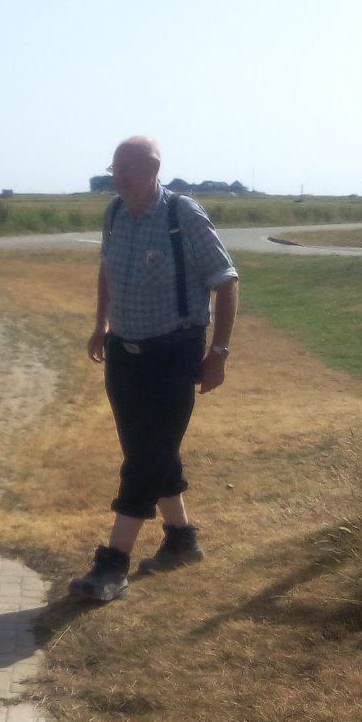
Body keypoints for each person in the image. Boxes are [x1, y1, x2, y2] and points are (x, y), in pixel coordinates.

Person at [69, 137, 240, 603]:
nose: (117, 176)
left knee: (145, 459)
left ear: (153, 169)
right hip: (125, 355)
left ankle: (112, 565)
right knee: (148, 450)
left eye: (126, 168)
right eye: (114, 167)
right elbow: (107, 268)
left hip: (175, 353)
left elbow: (226, 282)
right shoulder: (115, 214)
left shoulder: (181, 215)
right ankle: (182, 542)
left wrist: (218, 356)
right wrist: (101, 323)